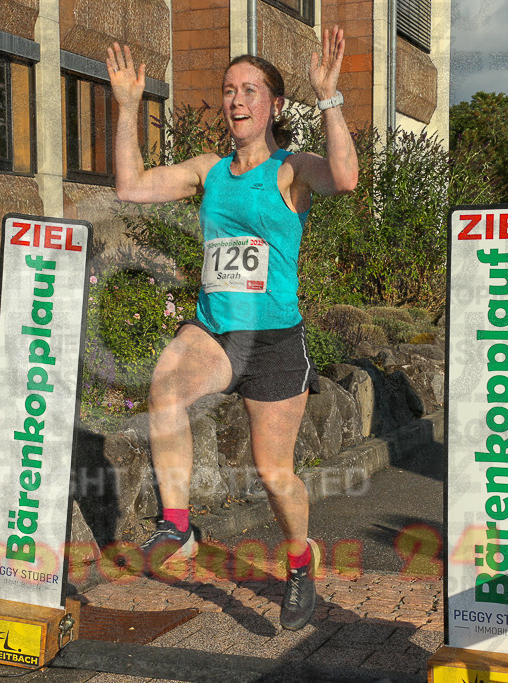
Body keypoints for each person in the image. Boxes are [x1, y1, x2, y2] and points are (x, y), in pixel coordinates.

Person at [106, 27, 358, 631]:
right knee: (165, 386)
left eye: (250, 89)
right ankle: (178, 525)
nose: (236, 99)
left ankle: (300, 559)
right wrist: (125, 108)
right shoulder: (209, 170)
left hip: (274, 341)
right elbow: (130, 186)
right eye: (228, 90)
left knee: (275, 474)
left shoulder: (290, 170)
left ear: (271, 104)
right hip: (216, 332)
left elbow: (346, 178)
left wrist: (329, 96)